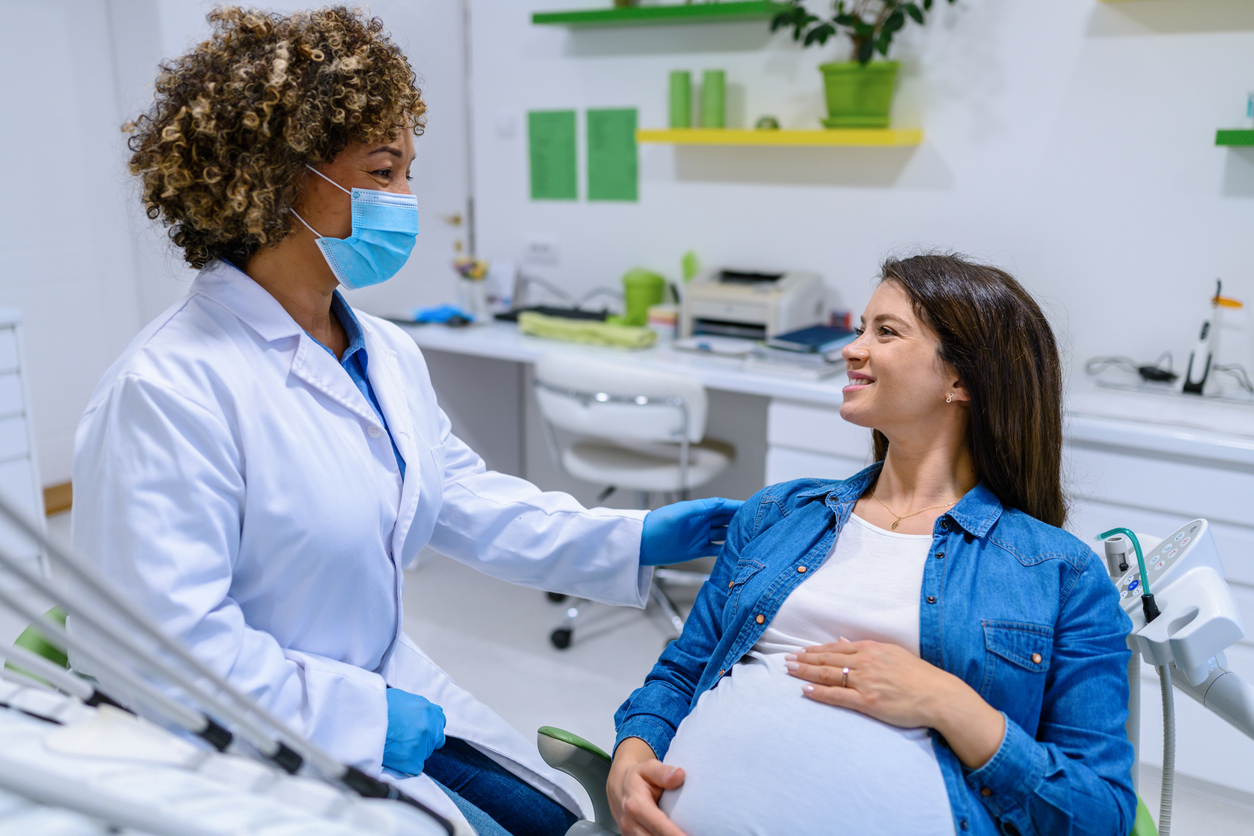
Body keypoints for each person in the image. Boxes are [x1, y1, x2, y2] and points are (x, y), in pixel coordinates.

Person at [69, 8, 739, 836]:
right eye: (383, 172)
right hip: (258, 740)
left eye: (407, 171)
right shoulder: (168, 390)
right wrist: (364, 716)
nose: (405, 200)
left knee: (558, 818)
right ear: (279, 177)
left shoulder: (380, 351)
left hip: (383, 685)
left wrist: (634, 539)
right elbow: (159, 657)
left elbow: (459, 496)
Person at [608, 254, 1137, 836]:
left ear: (961, 380)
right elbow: (682, 673)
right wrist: (632, 756)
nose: (851, 348)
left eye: (885, 332)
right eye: (862, 328)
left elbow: (1100, 814)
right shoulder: (780, 514)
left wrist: (949, 705)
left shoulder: (1061, 572)